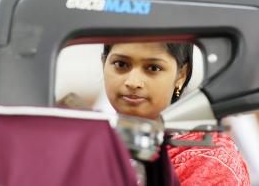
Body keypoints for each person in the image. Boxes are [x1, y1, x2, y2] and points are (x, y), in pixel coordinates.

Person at [101, 41, 250, 186]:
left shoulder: (210, 161)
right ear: (104, 63)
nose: (133, 82)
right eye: (121, 64)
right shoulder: (89, 143)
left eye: (153, 68)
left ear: (181, 75)